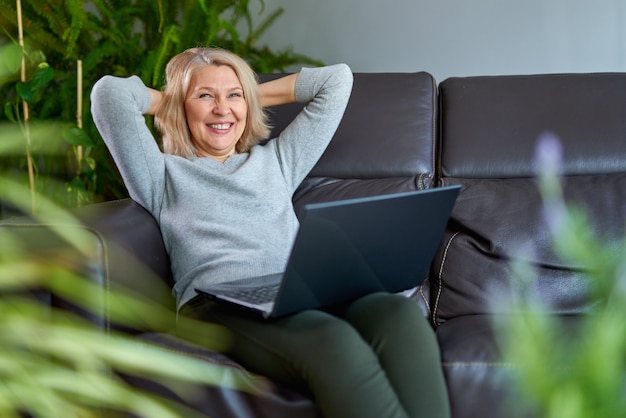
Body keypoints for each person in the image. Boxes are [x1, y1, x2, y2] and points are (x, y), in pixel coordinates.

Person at [91, 47, 450, 418]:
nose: (222, 109)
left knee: (398, 314)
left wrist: (243, 93)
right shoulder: (161, 175)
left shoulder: (277, 161)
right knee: (333, 340)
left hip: (300, 291)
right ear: (182, 106)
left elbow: (337, 80)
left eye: (234, 95)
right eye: (204, 97)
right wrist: (177, 100)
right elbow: (109, 95)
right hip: (219, 304)